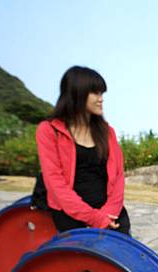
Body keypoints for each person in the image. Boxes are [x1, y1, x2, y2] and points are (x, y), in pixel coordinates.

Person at [35, 66, 130, 235]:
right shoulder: (49, 130)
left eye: (102, 94)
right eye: (95, 93)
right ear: (76, 93)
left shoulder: (107, 132)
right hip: (71, 216)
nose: (101, 99)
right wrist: (95, 218)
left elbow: (118, 176)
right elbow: (55, 183)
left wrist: (109, 213)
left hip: (110, 215)